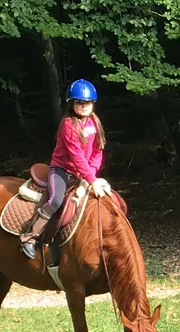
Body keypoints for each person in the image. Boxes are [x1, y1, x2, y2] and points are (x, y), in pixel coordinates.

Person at [23, 78, 113, 259]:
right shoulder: (68, 125)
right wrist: (91, 180)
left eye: (87, 102)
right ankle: (30, 237)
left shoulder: (94, 122)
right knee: (56, 200)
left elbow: (98, 150)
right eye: (79, 102)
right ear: (72, 104)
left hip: (84, 172)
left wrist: (92, 175)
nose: (84, 106)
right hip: (62, 170)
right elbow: (76, 156)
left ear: (93, 103)